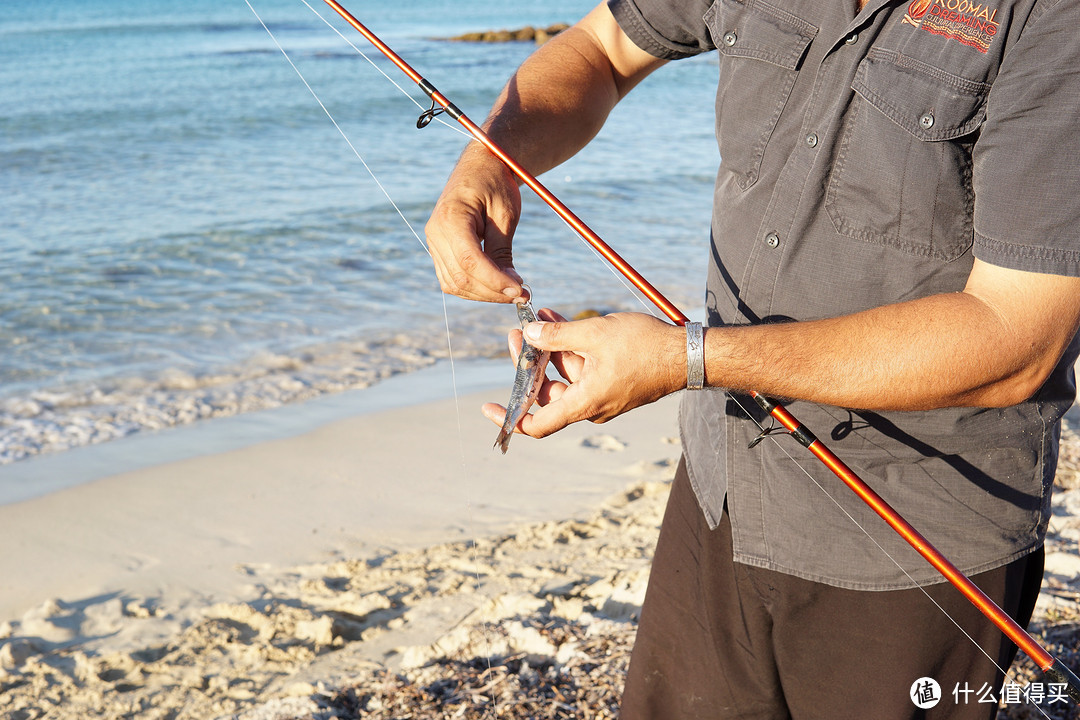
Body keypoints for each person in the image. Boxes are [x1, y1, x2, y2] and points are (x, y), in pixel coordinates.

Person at [424, 0, 1080, 717]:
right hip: (722, 486)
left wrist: (689, 359)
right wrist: (490, 162)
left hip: (915, 539)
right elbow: (605, 46)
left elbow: (1016, 337)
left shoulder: (1052, 19)